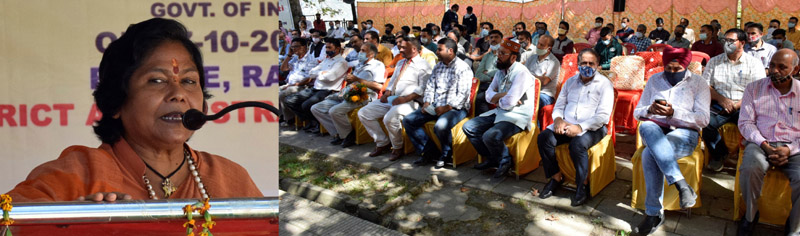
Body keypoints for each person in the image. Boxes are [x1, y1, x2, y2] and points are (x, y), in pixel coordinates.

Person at [5, 18, 262, 202]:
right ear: (116, 102)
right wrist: (68, 227)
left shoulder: (231, 178)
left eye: (189, 81)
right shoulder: (71, 177)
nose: (178, 94)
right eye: (157, 80)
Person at [631, 46, 710, 235]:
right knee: (647, 126)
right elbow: (637, 113)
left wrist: (675, 112)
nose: (672, 73)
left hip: (685, 132)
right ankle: (682, 185)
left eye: (677, 70)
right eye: (668, 69)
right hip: (656, 128)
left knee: (650, 154)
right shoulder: (654, 80)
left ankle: (653, 214)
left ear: (686, 66)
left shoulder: (699, 83)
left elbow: (704, 119)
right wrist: (650, 110)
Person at [537, 48, 614, 206]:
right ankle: (555, 177)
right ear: (578, 64)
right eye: (583, 63)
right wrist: (558, 119)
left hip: (594, 127)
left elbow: (603, 116)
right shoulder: (570, 82)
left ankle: (582, 185)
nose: (587, 66)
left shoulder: (605, 84)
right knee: (544, 137)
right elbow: (559, 105)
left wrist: (580, 127)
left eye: (591, 63)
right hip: (567, 123)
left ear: (598, 65)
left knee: (577, 144)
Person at [737, 49, 800, 236]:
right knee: (749, 168)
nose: (775, 71)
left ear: (795, 69)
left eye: (782, 67)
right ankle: (749, 217)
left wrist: (789, 149)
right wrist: (764, 144)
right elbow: (746, 123)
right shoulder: (754, 88)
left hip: (794, 146)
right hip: (760, 142)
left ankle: (795, 227)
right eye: (772, 65)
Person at [464, 39, 537, 178]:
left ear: (513, 57)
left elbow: (508, 102)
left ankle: (505, 161)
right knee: (469, 127)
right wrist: (503, 96)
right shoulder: (500, 72)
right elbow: (488, 96)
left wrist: (499, 99)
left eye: (503, 53)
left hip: (517, 116)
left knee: (490, 135)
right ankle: (492, 158)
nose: (499, 56)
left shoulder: (521, 73)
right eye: (498, 53)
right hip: (500, 112)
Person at [702, 28, 767, 172]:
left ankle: (746, 158)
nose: (727, 44)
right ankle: (720, 154)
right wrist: (721, 99)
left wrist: (737, 105)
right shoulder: (714, 62)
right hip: (719, 105)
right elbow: (705, 86)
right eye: (725, 40)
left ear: (742, 43)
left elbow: (758, 91)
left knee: (753, 127)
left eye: (731, 41)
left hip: (744, 105)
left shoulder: (754, 63)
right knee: (705, 121)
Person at [403, 38, 473, 169]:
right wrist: (427, 101)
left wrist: (447, 107)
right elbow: (430, 86)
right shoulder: (438, 66)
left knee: (440, 126)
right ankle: (429, 151)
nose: (437, 52)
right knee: (408, 120)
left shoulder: (463, 68)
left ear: (450, 51)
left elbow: (462, 95)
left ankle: (446, 154)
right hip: (436, 105)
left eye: (440, 49)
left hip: (455, 108)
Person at [358, 37, 432, 160]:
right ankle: (382, 142)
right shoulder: (400, 62)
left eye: (403, 47)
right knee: (364, 113)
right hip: (393, 98)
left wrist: (405, 99)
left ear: (414, 49)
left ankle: (397, 147)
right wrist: (386, 94)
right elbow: (392, 82)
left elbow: (423, 88)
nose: (400, 49)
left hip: (411, 102)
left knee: (389, 118)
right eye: (400, 47)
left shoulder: (423, 65)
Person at [311, 42, 386, 148]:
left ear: (371, 54)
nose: (360, 53)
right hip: (347, 93)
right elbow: (353, 81)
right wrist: (350, 80)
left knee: (334, 111)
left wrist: (357, 79)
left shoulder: (378, 65)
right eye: (360, 50)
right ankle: (338, 133)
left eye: (363, 51)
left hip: (363, 95)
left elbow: (379, 86)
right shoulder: (360, 64)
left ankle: (348, 135)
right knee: (316, 108)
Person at [285, 38, 349, 133]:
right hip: (316, 88)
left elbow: (330, 77)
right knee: (290, 100)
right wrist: (323, 72)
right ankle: (310, 120)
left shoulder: (341, 62)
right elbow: (311, 72)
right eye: (326, 47)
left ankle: (315, 123)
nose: (327, 50)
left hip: (327, 90)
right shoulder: (326, 60)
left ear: (337, 48)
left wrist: (319, 73)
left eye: (329, 47)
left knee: (306, 105)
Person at [280, 38, 319, 126]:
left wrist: (293, 85)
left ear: (304, 47)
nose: (294, 49)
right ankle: (281, 115)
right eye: (292, 47)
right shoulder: (294, 59)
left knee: (282, 94)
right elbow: (283, 68)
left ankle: (289, 119)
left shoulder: (311, 60)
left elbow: (309, 79)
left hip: (302, 86)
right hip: (290, 84)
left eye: (296, 46)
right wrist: (289, 55)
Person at [524, 35, 559, 110]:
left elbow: (544, 81)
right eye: (538, 43)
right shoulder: (532, 58)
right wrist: (538, 77)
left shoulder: (554, 62)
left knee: (530, 102)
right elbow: (522, 74)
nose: (538, 46)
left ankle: (534, 122)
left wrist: (528, 74)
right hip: (529, 90)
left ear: (549, 48)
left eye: (542, 45)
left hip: (544, 94)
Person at [475, 30, 504, 116]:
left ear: (502, 40)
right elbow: (478, 74)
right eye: (491, 37)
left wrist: (488, 73)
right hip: (485, 84)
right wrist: (490, 77)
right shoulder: (486, 55)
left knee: (479, 98)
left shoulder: (504, 55)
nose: (493, 39)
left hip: (497, 86)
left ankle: (485, 119)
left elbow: (501, 73)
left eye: (496, 37)